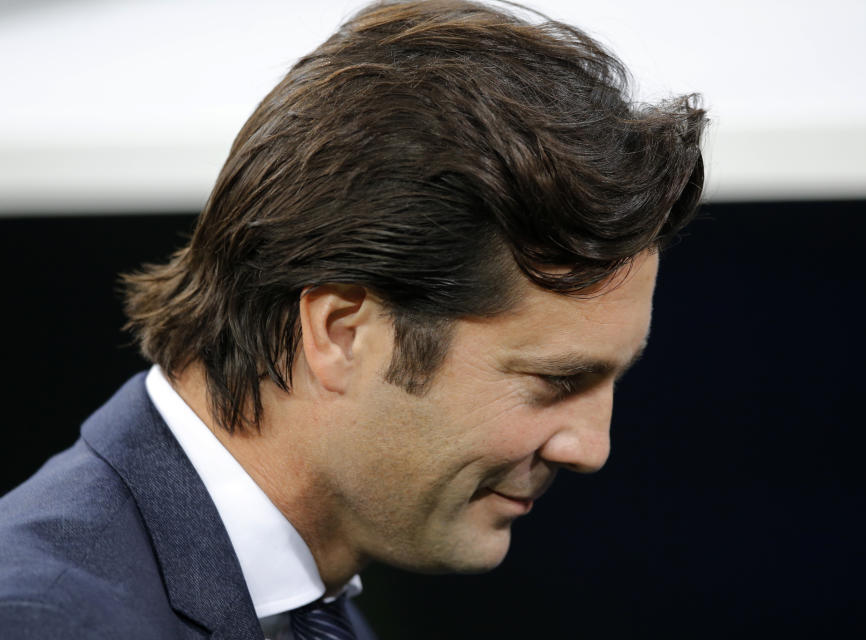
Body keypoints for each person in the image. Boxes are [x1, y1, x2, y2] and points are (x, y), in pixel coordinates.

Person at [0, 0, 706, 637]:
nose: (591, 447)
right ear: (341, 333)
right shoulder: (47, 622)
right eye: (555, 379)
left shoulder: (304, 610)